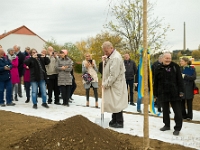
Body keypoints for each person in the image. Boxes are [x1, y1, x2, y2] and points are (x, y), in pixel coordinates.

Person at [153, 52, 184, 136]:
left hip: (175, 93)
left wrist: (181, 91)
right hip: (163, 93)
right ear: (162, 58)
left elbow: (180, 80)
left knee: (177, 112)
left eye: (169, 58)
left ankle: (177, 128)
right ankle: (166, 125)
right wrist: (155, 93)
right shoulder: (158, 68)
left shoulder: (175, 67)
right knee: (165, 111)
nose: (168, 60)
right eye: (166, 58)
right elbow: (155, 82)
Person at [101, 41, 128, 128]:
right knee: (114, 102)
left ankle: (119, 121)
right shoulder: (111, 56)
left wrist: (105, 84)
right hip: (114, 84)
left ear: (111, 48)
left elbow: (113, 75)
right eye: (104, 51)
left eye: (106, 51)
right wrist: (105, 60)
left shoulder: (115, 58)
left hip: (116, 84)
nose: (105, 53)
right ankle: (114, 119)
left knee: (117, 102)